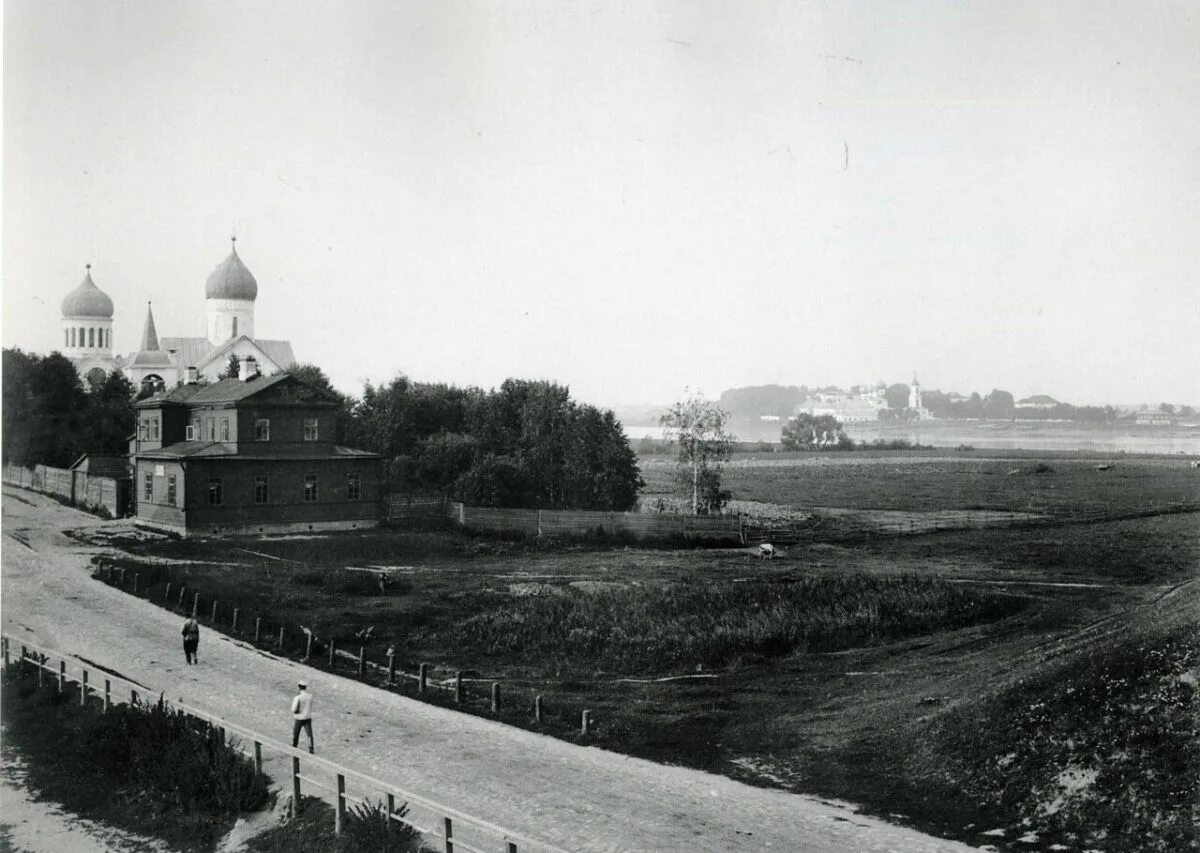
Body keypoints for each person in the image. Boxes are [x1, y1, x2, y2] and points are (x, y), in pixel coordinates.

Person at [291, 681, 314, 753]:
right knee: (309, 734)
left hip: (299, 718)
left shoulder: (297, 697)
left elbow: (293, 709)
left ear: (299, 687)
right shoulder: (310, 696)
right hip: (307, 717)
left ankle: (294, 746)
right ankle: (311, 748)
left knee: (296, 733)